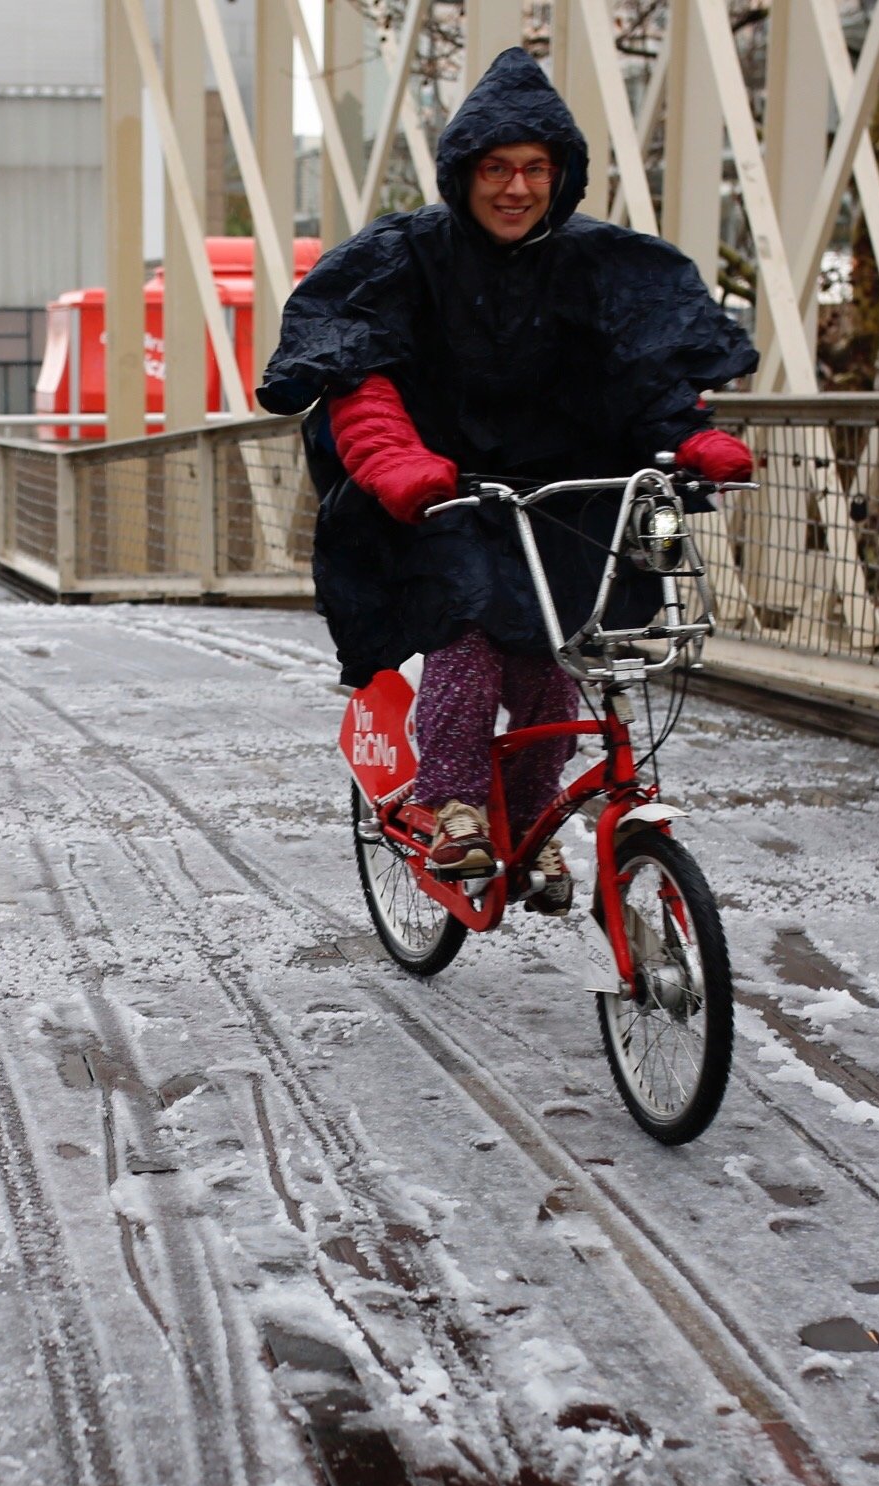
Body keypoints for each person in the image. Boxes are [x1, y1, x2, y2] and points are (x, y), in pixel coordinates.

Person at [259, 49, 758, 912]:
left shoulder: (596, 266)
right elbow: (361, 377)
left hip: (558, 504)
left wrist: (693, 439)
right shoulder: (406, 256)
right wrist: (397, 464)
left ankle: (528, 832)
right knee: (468, 625)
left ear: (559, 177)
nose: (516, 188)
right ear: (463, 173)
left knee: (551, 672)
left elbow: (641, 379)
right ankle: (451, 804)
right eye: (496, 168)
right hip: (440, 496)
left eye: (535, 169)